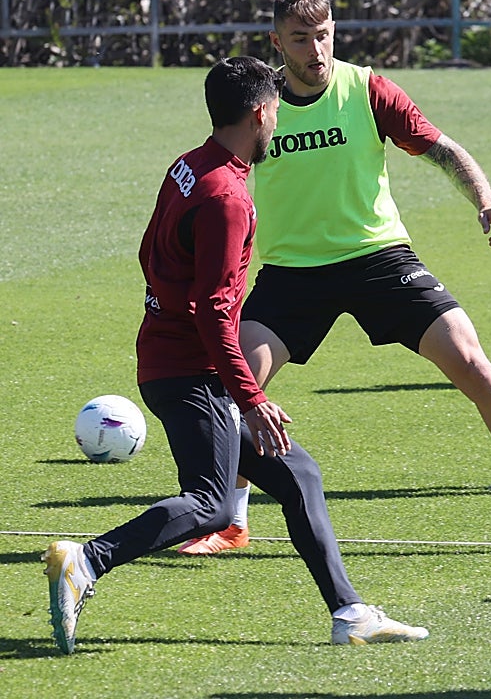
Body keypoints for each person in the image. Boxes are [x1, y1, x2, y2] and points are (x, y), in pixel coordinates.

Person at [176, 0, 491, 555]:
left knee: (472, 363)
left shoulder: (366, 90)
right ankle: (231, 523)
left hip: (379, 258)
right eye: (299, 39)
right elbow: (218, 172)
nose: (315, 50)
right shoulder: (260, 106)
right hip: (294, 273)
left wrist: (486, 200)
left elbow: (441, 148)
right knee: (234, 387)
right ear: (276, 42)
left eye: (322, 35)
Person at [41, 57, 429, 654]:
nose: (278, 120)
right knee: (211, 504)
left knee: (298, 475)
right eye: (276, 110)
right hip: (190, 373)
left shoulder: (188, 166)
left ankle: (350, 613)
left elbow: (150, 252)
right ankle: (88, 560)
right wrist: (250, 397)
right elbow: (215, 312)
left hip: (174, 359)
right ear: (258, 114)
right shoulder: (228, 197)